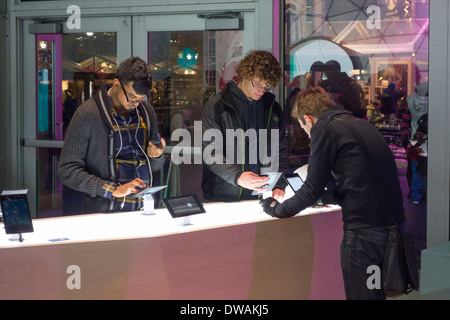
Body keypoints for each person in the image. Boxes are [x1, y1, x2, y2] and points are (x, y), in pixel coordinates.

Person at [260, 86, 405, 300]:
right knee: (374, 295)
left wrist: (276, 209)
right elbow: (361, 179)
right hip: (391, 227)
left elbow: (311, 188)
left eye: (303, 128)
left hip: (364, 236)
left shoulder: (325, 128)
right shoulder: (360, 125)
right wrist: (327, 197)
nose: (308, 136)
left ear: (308, 119)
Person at [58, 57, 166, 214]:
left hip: (144, 210)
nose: (136, 104)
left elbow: (154, 167)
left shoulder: (147, 112)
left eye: (141, 99)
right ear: (116, 84)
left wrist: (156, 156)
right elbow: (67, 171)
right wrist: (112, 189)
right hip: (104, 213)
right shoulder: (88, 114)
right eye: (132, 97)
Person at [201, 50, 289, 202]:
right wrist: (237, 177)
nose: (261, 90)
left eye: (266, 86)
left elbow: (280, 151)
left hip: (262, 195)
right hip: (222, 196)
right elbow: (211, 152)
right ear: (244, 75)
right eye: (257, 84)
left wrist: (279, 183)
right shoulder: (217, 105)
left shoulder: (273, 109)